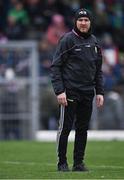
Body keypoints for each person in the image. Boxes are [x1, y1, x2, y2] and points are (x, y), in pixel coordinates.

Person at [51, 8, 104, 172]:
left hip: (87, 93)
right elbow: (56, 66)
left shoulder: (95, 42)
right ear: (75, 22)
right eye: (80, 20)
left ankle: (78, 163)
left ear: (90, 22)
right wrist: (60, 91)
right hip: (70, 92)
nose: (83, 23)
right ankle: (62, 163)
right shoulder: (67, 40)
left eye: (86, 20)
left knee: (82, 129)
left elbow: (98, 70)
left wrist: (100, 92)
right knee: (65, 128)